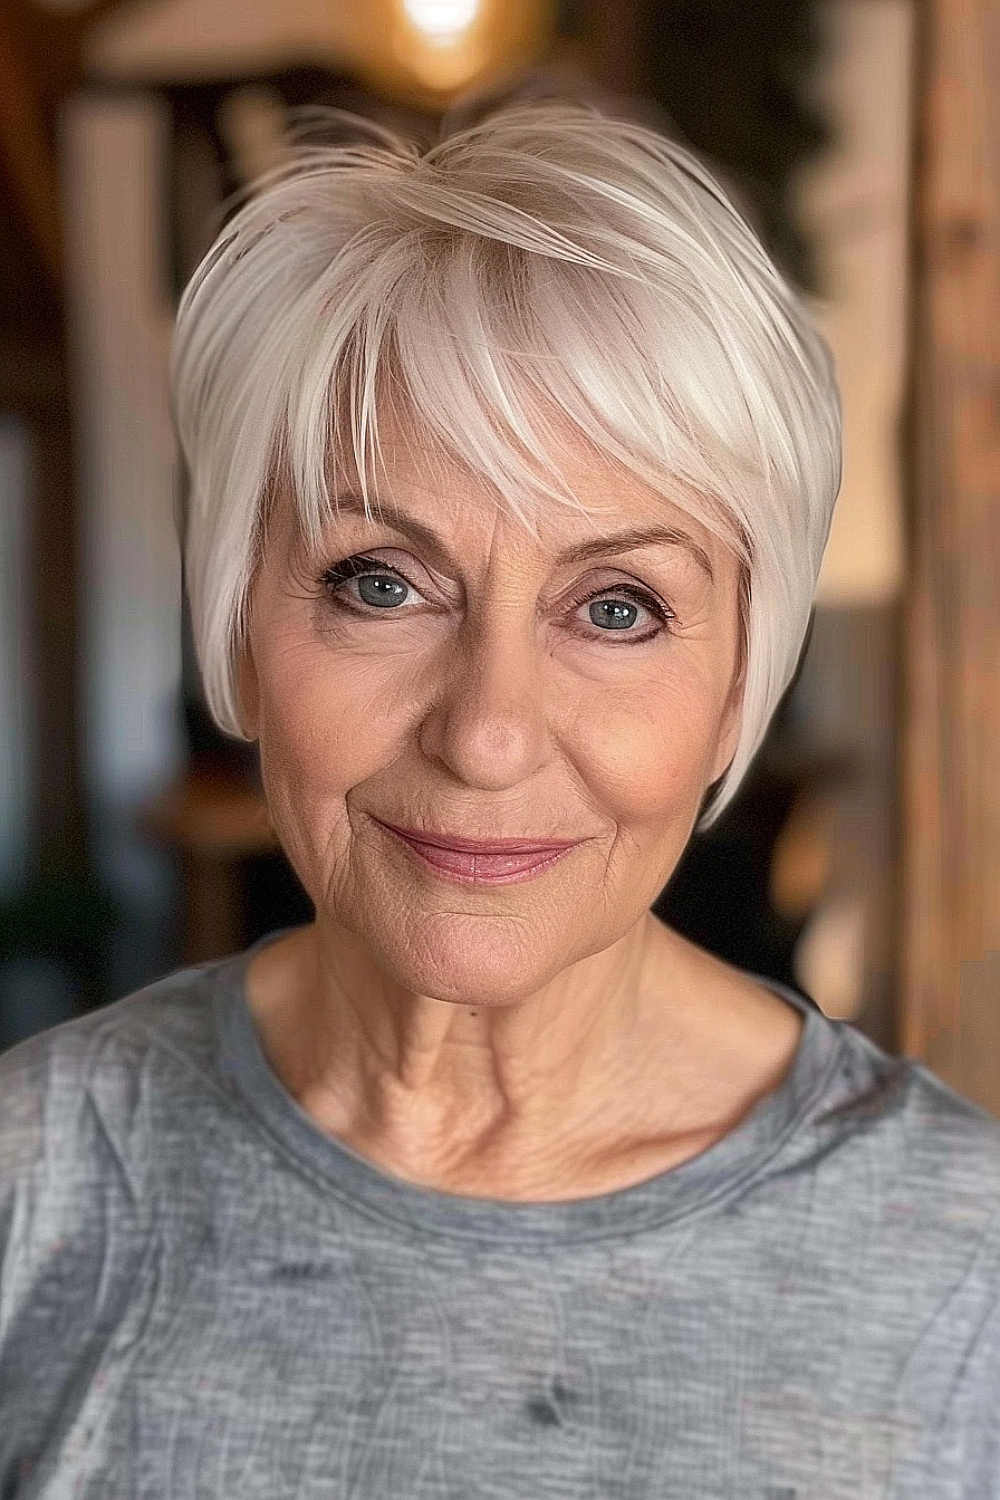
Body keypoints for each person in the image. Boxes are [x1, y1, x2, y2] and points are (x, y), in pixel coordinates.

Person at [2, 98, 998, 1499]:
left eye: (617, 605)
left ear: (738, 686)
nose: (485, 735)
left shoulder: (963, 1267)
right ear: (236, 623)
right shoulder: (31, 1182)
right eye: (382, 582)